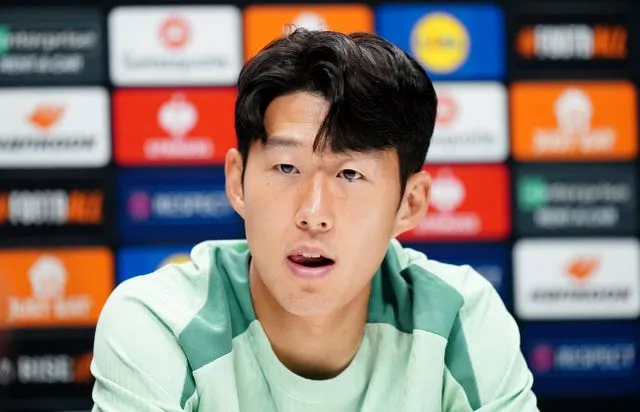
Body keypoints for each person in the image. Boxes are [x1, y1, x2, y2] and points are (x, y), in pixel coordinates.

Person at [90, 28, 539, 411]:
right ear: (237, 181)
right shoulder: (158, 323)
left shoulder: (460, 319)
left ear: (411, 202)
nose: (313, 214)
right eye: (286, 168)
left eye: (350, 173)